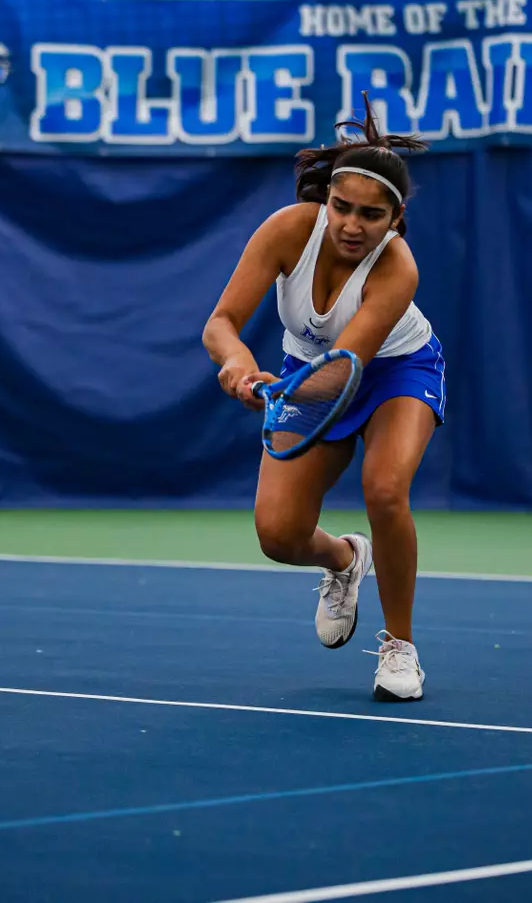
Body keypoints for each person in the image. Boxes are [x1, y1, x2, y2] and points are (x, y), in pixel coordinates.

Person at [202, 94, 445, 702]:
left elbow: (345, 371)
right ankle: (343, 559)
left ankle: (399, 645)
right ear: (326, 200)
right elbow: (221, 323)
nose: (351, 225)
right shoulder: (288, 229)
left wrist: (276, 392)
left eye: (371, 214)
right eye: (341, 207)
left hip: (396, 372)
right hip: (303, 370)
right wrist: (238, 364)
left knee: (385, 489)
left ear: (395, 219)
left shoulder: (398, 269)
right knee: (279, 537)